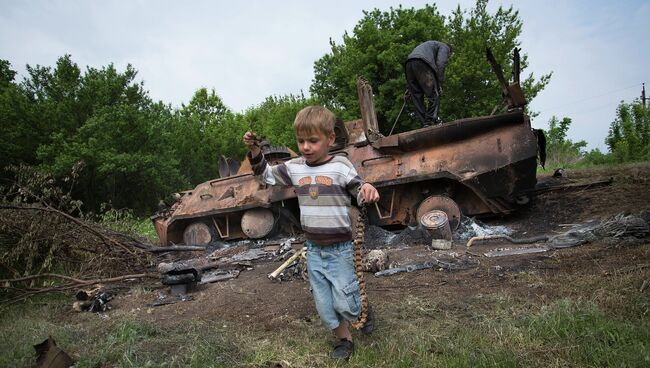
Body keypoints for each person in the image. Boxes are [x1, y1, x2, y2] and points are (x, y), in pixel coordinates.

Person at [243, 106, 380, 360]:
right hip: (314, 250)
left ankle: (362, 309)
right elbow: (266, 175)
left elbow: (359, 188)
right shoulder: (294, 168)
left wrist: (368, 188)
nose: (305, 147)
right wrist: (254, 151)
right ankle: (344, 340)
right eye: (301, 141)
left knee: (345, 303)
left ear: (330, 139)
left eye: (313, 141)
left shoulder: (340, 166)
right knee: (325, 306)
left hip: (340, 250)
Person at [405, 40, 452, 127]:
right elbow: (441, 64)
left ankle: (425, 123)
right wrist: (439, 85)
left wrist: (409, 88)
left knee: (417, 98)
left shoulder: (430, 45)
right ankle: (430, 121)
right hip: (422, 63)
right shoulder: (445, 47)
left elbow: (414, 63)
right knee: (434, 95)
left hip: (409, 64)